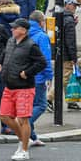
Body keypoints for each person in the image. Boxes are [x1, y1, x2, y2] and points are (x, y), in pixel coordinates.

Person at [0, 18, 47, 161]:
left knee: (23, 119)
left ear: (23, 31)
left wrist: (27, 73)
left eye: (15, 28)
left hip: (24, 88)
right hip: (9, 85)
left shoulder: (31, 45)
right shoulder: (11, 41)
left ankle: (24, 150)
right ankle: (24, 139)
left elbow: (42, 62)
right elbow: (4, 53)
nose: (11, 29)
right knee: (4, 116)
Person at [47, 0, 81, 111]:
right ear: (67, 5)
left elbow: (55, 34)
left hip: (56, 52)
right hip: (66, 54)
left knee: (65, 76)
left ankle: (71, 101)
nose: (75, 8)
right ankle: (49, 99)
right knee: (64, 78)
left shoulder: (55, 16)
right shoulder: (69, 20)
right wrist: (74, 57)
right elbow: (70, 40)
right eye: (74, 5)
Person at [27, 11, 52, 146]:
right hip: (39, 77)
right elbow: (45, 59)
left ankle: (33, 137)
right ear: (41, 22)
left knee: (30, 106)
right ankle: (25, 124)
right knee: (41, 105)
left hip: (26, 76)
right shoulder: (42, 36)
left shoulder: (24, 33)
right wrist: (49, 76)